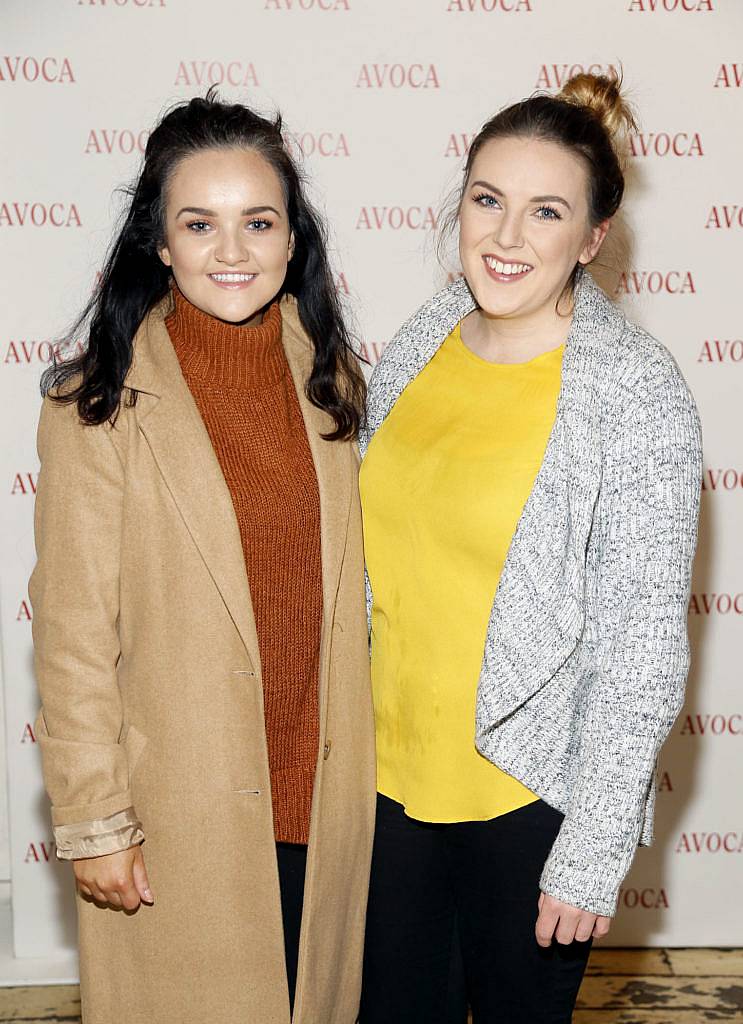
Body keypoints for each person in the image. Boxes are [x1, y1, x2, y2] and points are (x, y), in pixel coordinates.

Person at [358, 73, 702, 1024]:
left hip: (529, 805)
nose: (505, 238)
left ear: (591, 239)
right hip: (386, 789)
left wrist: (590, 858)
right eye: (487, 200)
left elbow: (638, 651)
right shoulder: (422, 338)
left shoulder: (635, 393)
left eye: (544, 211)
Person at [29, 91, 375, 1024]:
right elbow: (70, 639)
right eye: (200, 223)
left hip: (327, 798)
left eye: (258, 222)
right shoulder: (95, 407)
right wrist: (95, 823)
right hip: (174, 808)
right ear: (160, 241)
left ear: (292, 239)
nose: (232, 251)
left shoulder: (336, 385)